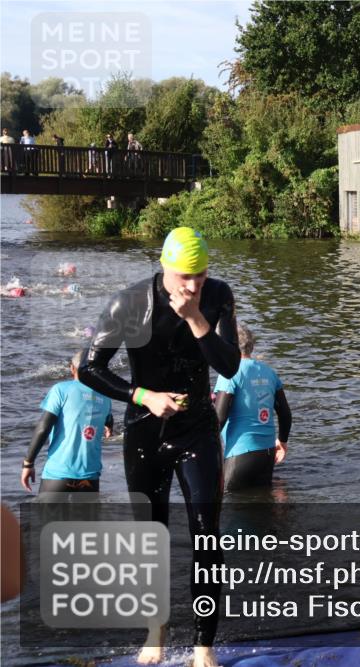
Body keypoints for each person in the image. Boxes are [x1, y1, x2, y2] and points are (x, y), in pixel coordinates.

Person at [78, 226, 238, 667]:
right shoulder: (128, 303)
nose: (192, 286)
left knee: (207, 535)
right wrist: (141, 395)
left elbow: (230, 363)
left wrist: (194, 316)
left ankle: (204, 646)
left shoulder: (218, 295)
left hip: (198, 430)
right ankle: (156, 632)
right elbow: (90, 368)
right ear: (164, 267)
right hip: (145, 432)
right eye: (184, 277)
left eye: (200, 276)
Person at [21, 351, 113, 495]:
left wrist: (28, 463)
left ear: (72, 368)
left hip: (58, 475)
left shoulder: (61, 390)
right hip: (90, 478)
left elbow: (43, 428)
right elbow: (108, 418)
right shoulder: (106, 397)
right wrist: (108, 426)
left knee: (46, 518)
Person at [214, 325, 291, 491]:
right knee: (262, 511)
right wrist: (282, 442)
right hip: (267, 455)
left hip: (240, 455)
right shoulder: (269, 372)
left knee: (230, 509)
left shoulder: (229, 373)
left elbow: (219, 418)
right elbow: (285, 413)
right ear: (251, 346)